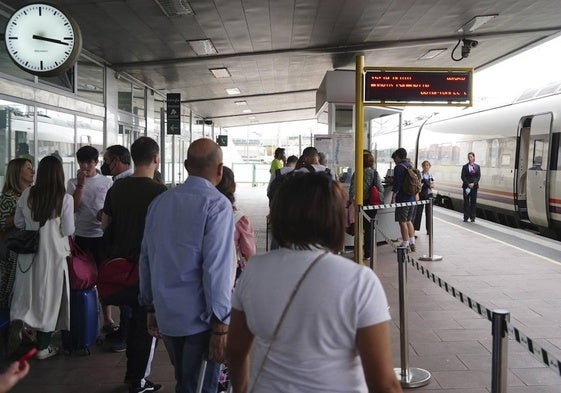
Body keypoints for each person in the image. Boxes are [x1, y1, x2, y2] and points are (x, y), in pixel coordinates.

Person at [227, 172, 402, 393]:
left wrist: (242, 387)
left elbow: (235, 349)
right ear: (334, 219)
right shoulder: (359, 280)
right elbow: (384, 383)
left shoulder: (255, 270)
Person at [139, 138, 233, 393]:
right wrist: (221, 325)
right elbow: (217, 269)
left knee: (185, 381)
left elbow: (146, 256)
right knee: (199, 386)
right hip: (200, 321)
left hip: (167, 315)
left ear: (185, 165)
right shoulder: (217, 206)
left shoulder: (160, 203)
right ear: (220, 169)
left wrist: (149, 305)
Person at [101, 137, 167, 393]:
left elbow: (104, 225)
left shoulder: (115, 189)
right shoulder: (160, 192)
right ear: (156, 158)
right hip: (146, 269)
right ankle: (138, 379)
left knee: (131, 319)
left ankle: (133, 374)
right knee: (146, 326)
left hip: (120, 269)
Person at [11, 156, 75, 360]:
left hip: (28, 255)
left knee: (26, 295)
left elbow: (18, 223)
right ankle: (43, 346)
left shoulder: (27, 193)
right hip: (53, 255)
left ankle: (21, 323)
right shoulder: (64, 198)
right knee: (49, 299)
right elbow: (68, 229)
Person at [98, 144, 133, 352]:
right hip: (136, 248)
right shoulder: (145, 182)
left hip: (123, 247)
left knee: (126, 292)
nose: (105, 165)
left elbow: (106, 224)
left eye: (107, 161)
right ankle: (127, 331)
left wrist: (102, 216)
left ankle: (125, 335)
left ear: (117, 161)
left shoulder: (119, 186)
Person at [0, 158, 34, 308]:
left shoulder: (29, 194)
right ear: (17, 173)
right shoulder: (8, 197)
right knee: (7, 287)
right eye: (28, 168)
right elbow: (2, 222)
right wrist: (23, 214)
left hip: (23, 248)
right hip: (10, 250)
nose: (32, 171)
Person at [216, 166, 256, 283]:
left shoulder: (200, 214)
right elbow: (249, 252)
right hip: (230, 271)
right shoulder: (239, 220)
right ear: (233, 187)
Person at [349, 150, 384, 261]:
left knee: (359, 227)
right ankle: (368, 253)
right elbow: (380, 189)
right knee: (369, 228)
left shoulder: (357, 173)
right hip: (372, 204)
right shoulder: (374, 173)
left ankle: (358, 250)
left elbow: (352, 189)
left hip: (360, 203)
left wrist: (351, 201)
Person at [391, 148, 416, 252]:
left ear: (397, 156)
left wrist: (393, 197)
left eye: (394, 158)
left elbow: (397, 185)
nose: (394, 160)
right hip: (412, 198)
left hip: (403, 199)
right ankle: (412, 243)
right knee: (408, 220)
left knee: (402, 221)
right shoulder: (410, 165)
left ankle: (405, 245)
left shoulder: (398, 167)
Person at [413, 160, 435, 234]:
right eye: (424, 165)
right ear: (422, 166)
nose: (426, 166)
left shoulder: (431, 175)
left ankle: (429, 230)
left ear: (430, 166)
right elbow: (419, 185)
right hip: (421, 195)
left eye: (427, 165)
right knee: (418, 212)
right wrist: (428, 184)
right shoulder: (420, 175)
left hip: (429, 195)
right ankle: (414, 229)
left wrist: (426, 184)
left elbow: (433, 185)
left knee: (429, 213)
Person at [461, 152, 481, 222]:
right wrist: (468, 184)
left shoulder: (477, 167)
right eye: (469, 157)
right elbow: (463, 177)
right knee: (466, 202)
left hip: (474, 187)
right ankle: (466, 217)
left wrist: (474, 183)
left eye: (471, 157)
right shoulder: (465, 167)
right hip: (466, 187)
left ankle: (473, 217)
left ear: (474, 158)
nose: (470, 158)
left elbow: (478, 176)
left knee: (473, 202)